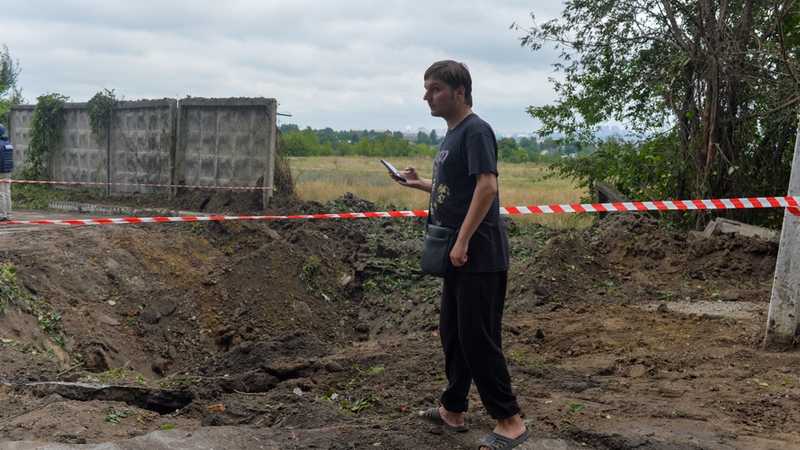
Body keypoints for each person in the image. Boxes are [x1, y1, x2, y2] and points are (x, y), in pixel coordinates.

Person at [390, 60, 532, 450]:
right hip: (459, 253)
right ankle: (453, 408)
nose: (426, 96)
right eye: (426, 88)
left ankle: (511, 421)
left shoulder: (476, 131)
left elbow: (487, 187)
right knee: (454, 333)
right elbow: (457, 189)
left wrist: (464, 240)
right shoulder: (452, 134)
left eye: (434, 88)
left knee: (478, 338)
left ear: (460, 92)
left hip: (479, 255)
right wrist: (420, 183)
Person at [0, 123, 12, 221]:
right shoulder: (7, 143)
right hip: (8, 172)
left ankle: (2, 215)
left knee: (1, 194)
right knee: (7, 193)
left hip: (0, 172)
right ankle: (8, 215)